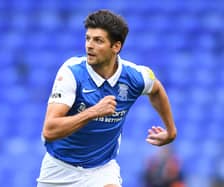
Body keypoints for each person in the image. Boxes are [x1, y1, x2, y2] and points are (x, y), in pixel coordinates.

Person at [37, 9, 177, 187]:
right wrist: (93, 112)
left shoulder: (135, 76)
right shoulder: (72, 73)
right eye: (88, 38)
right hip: (59, 169)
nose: (89, 45)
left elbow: (156, 90)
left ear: (116, 47)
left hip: (101, 170)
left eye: (98, 40)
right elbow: (49, 130)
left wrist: (171, 131)